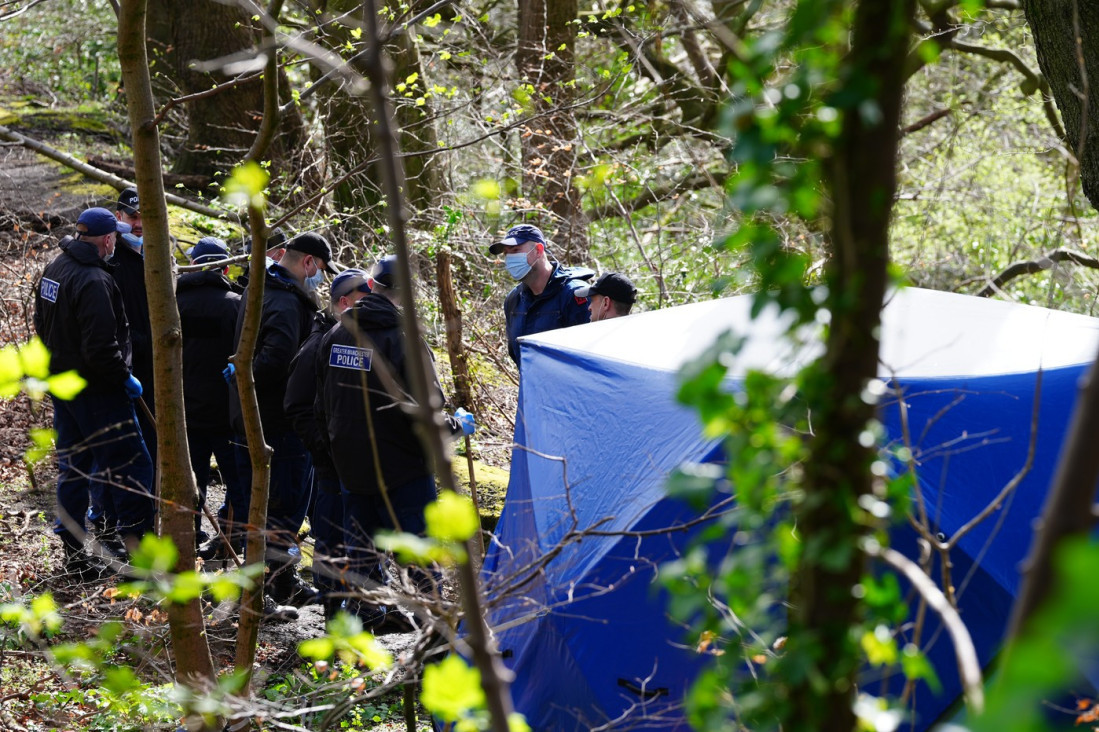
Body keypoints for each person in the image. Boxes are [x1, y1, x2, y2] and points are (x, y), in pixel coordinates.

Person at [315, 255, 475, 631]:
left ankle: (353, 634)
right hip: (404, 473)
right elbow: (428, 412)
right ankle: (435, 638)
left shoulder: (336, 335)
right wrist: (458, 426)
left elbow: (321, 406)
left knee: (360, 556)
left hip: (352, 469)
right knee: (419, 557)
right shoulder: (405, 340)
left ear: (371, 285)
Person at [33, 207, 155, 580]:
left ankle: (74, 553)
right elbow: (102, 348)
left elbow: (41, 323)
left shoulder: (56, 267)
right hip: (99, 393)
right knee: (132, 465)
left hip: (65, 386)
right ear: (106, 239)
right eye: (114, 235)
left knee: (73, 468)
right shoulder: (94, 280)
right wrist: (124, 377)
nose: (116, 241)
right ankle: (138, 554)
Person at [225, 231, 333, 608]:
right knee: (280, 509)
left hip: (253, 416)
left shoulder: (259, 289)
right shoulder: (287, 302)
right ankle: (258, 592)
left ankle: (282, 581)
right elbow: (276, 360)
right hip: (278, 423)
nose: (320, 278)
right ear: (308, 263)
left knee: (264, 506)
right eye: (321, 269)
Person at [284, 267, 371, 620]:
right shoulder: (320, 342)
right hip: (332, 465)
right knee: (332, 534)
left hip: (352, 463)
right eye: (365, 300)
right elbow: (297, 405)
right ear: (345, 302)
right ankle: (334, 610)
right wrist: (327, 450)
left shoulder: (353, 339)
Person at [86, 188, 155, 544]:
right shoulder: (112, 262)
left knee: (146, 449)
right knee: (116, 452)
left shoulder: (153, 255)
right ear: (119, 219)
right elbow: (111, 325)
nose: (139, 224)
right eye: (132, 217)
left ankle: (142, 519)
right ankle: (107, 520)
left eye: (144, 216)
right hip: (122, 369)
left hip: (152, 370)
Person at [176, 237, 244, 549]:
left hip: (185, 411)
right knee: (238, 481)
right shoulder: (235, 304)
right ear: (225, 268)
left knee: (190, 480)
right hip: (226, 413)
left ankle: (187, 541)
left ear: (192, 266)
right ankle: (239, 542)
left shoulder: (173, 304)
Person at [488, 224, 593, 368]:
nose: (510, 258)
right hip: (531, 382)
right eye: (506, 254)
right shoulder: (514, 300)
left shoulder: (576, 294)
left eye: (515, 250)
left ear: (538, 250)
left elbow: (589, 357)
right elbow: (517, 355)